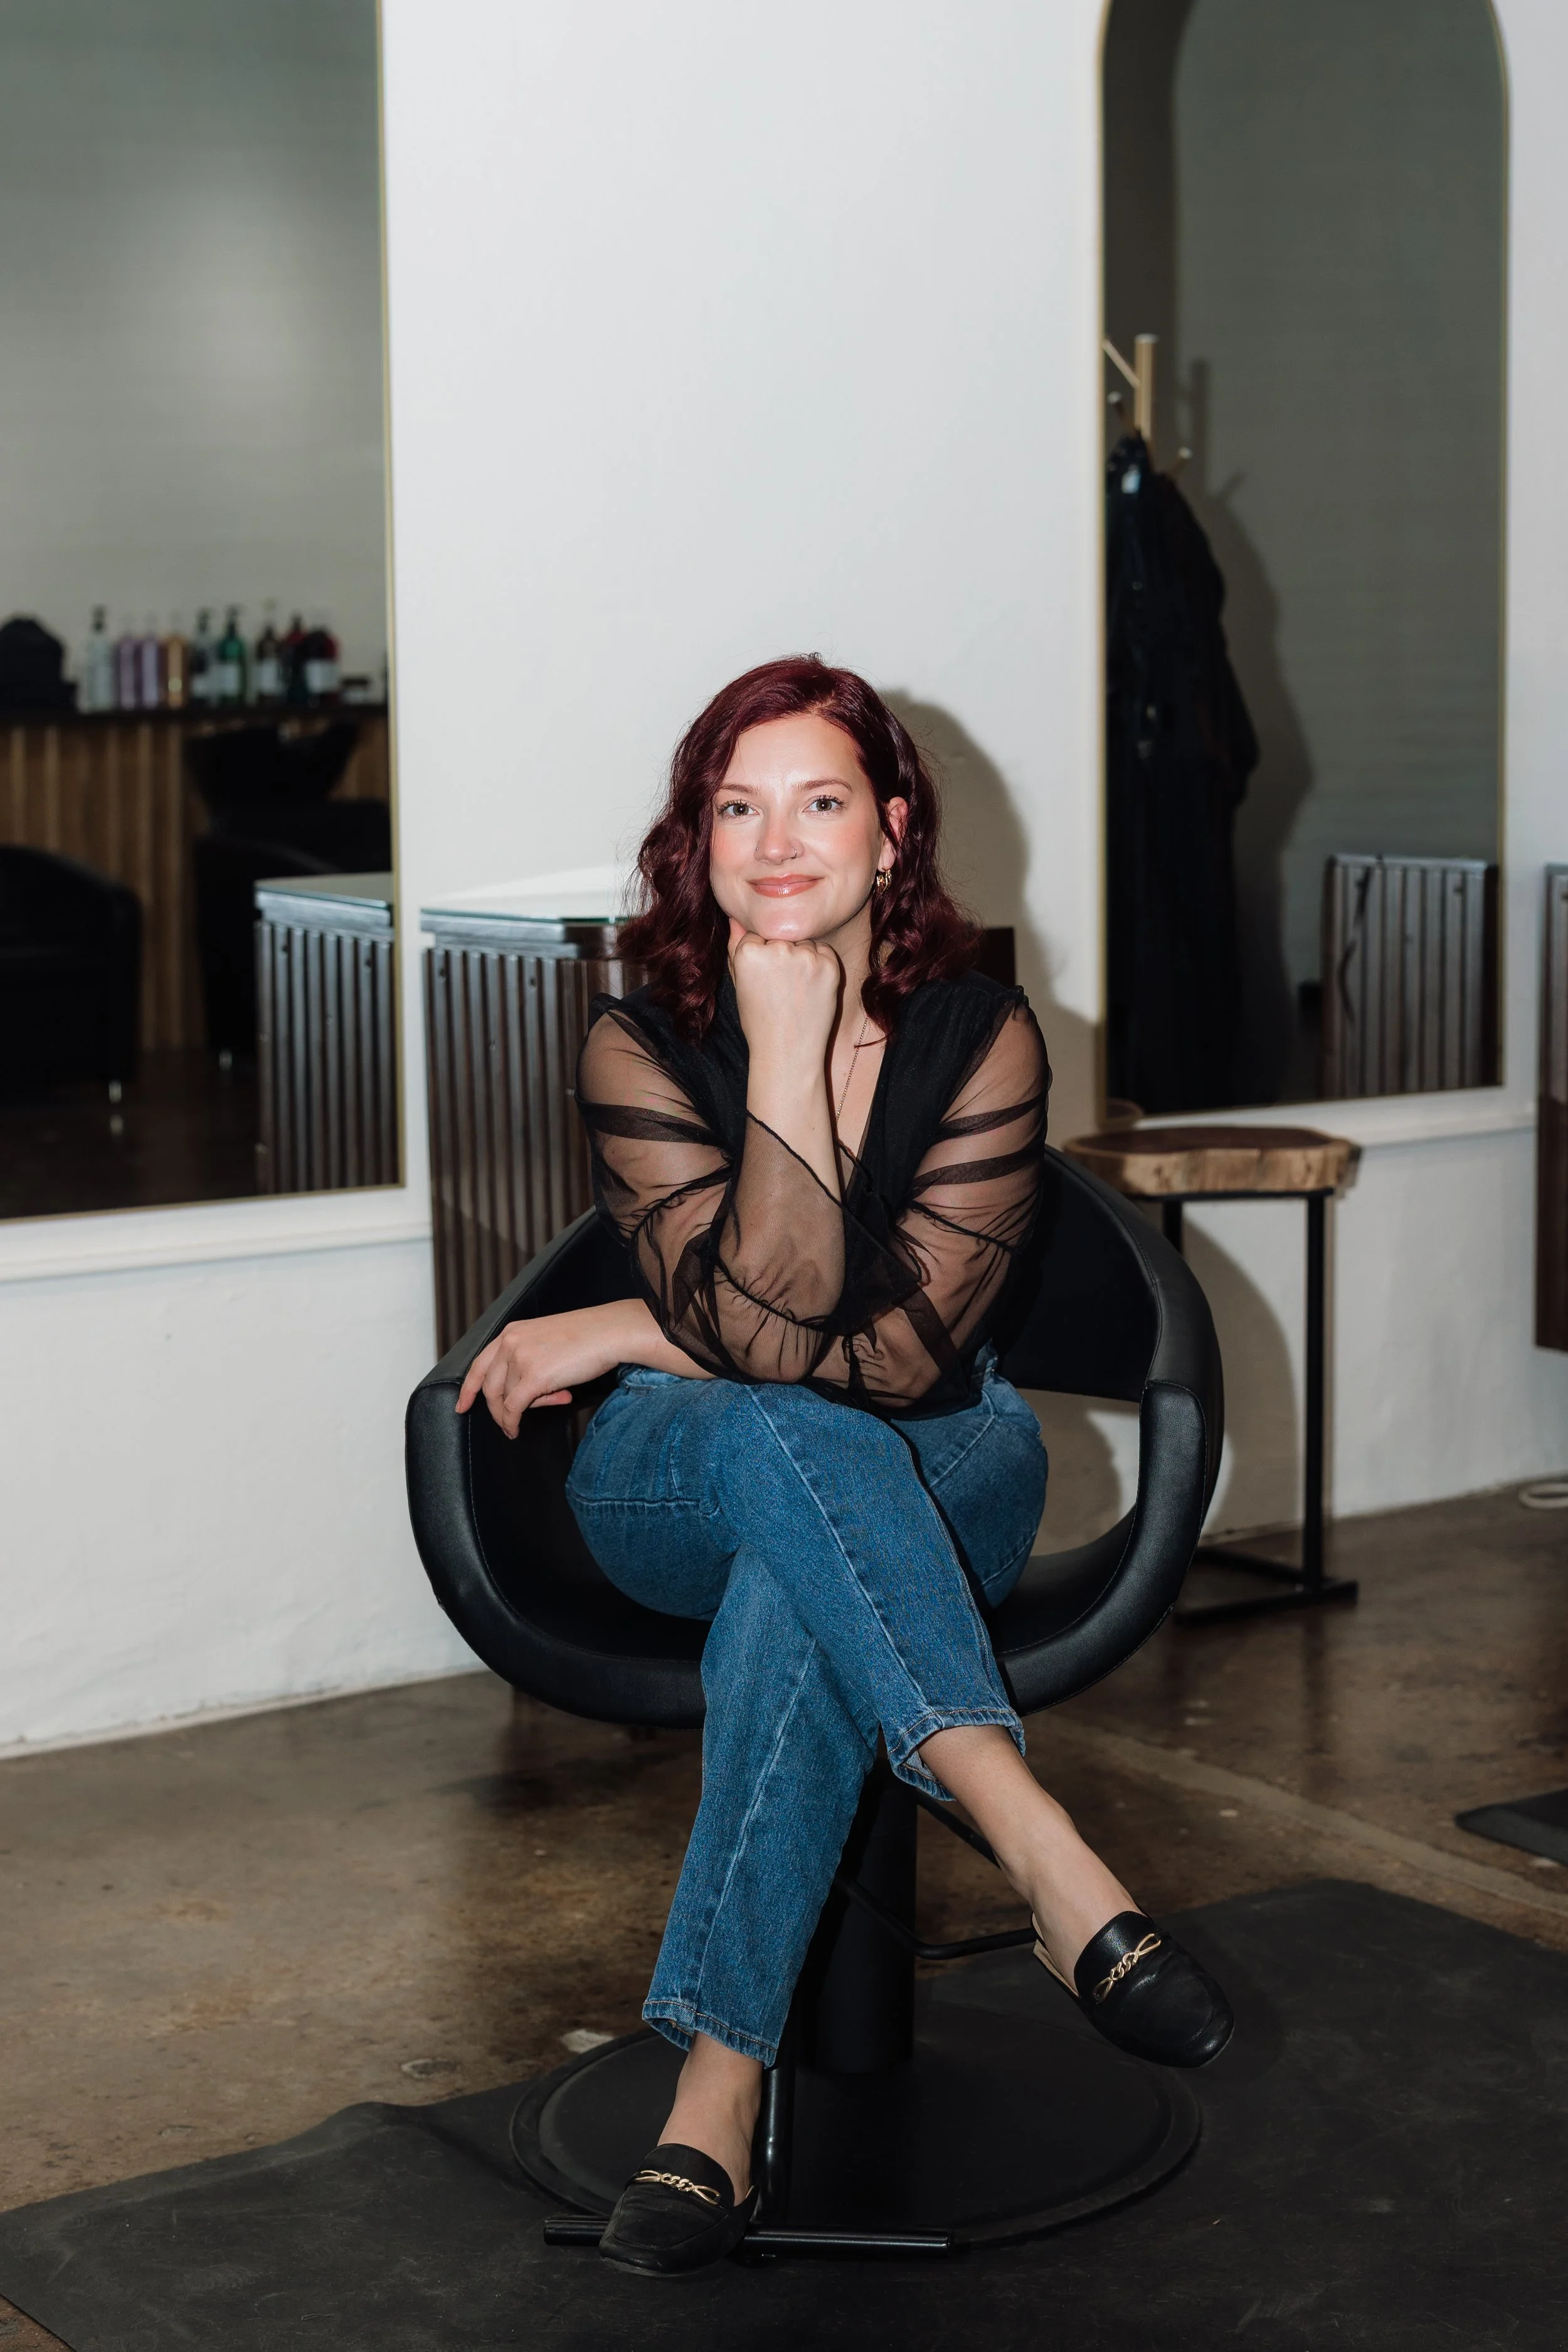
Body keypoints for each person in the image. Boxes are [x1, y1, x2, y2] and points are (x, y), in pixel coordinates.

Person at [457, 657, 1232, 2277]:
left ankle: (714, 2103)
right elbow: (788, 1344)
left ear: (892, 833)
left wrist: (629, 1319)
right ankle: (1034, 1840)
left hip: (949, 1452)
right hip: (683, 1474)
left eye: (816, 801)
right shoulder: (644, 1040)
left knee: (796, 1578)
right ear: (699, 843)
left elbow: (896, 1363)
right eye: (735, 807)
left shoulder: (983, 1032)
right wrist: (777, 1053)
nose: (774, 840)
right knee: (783, 1443)